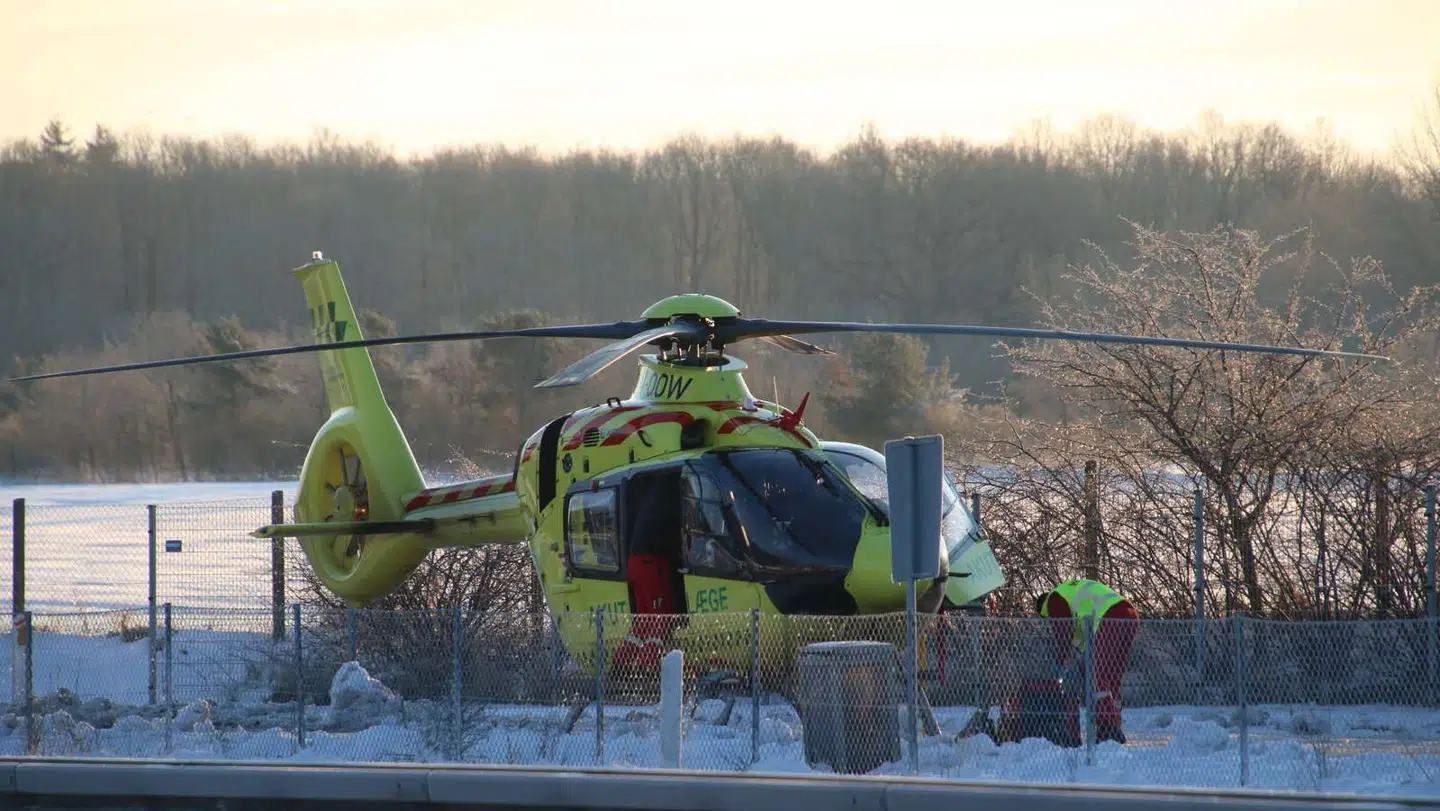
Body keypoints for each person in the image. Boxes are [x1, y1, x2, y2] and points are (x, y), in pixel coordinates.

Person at [1034, 578, 1140, 744]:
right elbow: (1084, 647)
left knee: (1098, 676)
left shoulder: (1053, 600)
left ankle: (1107, 728)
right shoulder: (1070, 597)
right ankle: (1114, 722)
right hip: (1129, 614)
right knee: (1113, 678)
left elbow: (1063, 634)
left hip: (1110, 616)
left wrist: (1059, 664)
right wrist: (1081, 665)